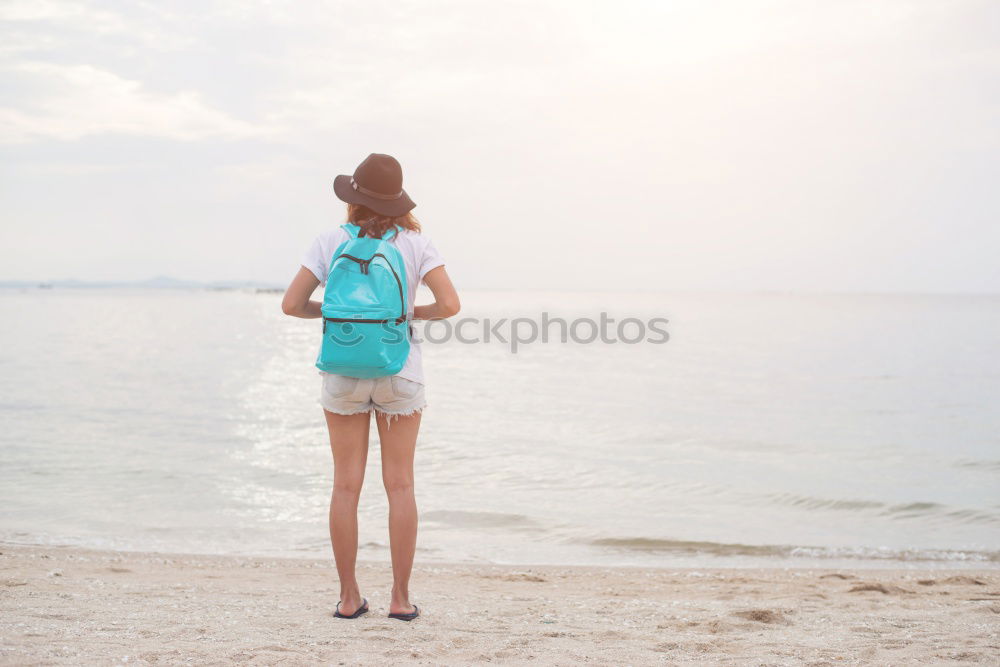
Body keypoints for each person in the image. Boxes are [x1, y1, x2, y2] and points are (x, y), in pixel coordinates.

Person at [281, 153, 460, 621]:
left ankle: (348, 598)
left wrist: (341, 316)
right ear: (399, 201)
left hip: (342, 370)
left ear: (353, 198)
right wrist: (406, 315)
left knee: (345, 486)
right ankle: (400, 600)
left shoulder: (328, 241)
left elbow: (291, 305)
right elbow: (449, 304)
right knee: (400, 486)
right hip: (400, 370)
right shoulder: (417, 244)